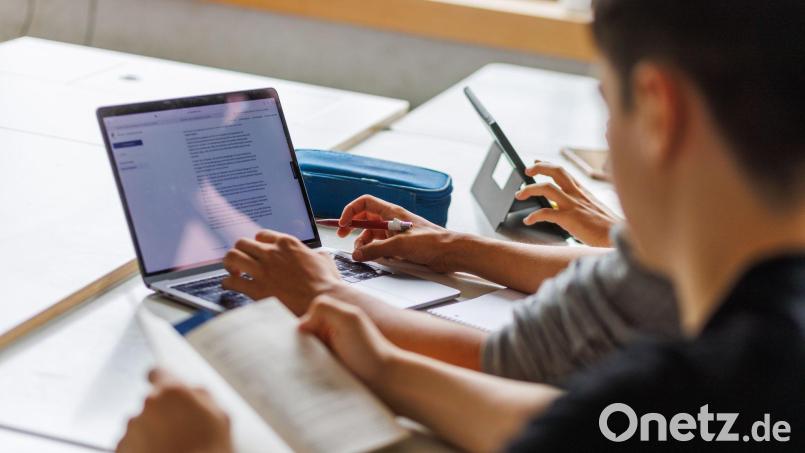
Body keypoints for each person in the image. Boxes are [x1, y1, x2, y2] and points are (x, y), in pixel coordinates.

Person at [120, 0, 805, 450]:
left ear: (657, 111)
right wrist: (386, 365)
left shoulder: (717, 383)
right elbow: (578, 422)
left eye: (608, 105)